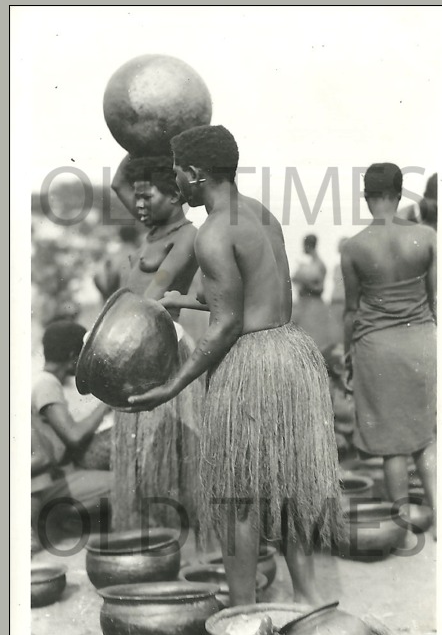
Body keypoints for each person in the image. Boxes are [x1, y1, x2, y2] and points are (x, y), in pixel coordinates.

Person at [126, 125, 345, 606]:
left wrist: (171, 387)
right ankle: (311, 601)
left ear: (197, 174)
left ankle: (242, 612)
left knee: (236, 497)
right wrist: (183, 300)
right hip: (291, 355)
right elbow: (254, 301)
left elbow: (226, 326)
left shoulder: (212, 232)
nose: (178, 183)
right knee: (290, 486)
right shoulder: (261, 215)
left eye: (180, 173)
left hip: (250, 366)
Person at [341, 163, 437, 539]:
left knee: (393, 447)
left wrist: (348, 355)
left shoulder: (354, 247)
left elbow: (351, 310)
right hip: (421, 341)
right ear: (400, 195)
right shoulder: (427, 237)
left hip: (376, 348)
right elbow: (437, 300)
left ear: (367, 197)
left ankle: (401, 531)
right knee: (425, 437)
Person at [109, 154, 204, 532]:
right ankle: (147, 538)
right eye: (138, 199)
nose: (140, 205)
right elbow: (119, 182)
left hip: (160, 350)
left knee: (171, 458)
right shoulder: (153, 228)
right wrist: (141, 144)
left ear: (175, 196)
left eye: (147, 197)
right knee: (137, 458)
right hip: (126, 348)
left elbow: (153, 294)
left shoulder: (187, 236)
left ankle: (189, 543)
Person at [31, 321, 113, 548]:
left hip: (56, 477)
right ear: (71, 356)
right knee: (123, 483)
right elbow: (74, 436)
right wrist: (106, 404)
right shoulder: (46, 384)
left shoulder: (44, 382)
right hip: (53, 480)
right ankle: (60, 519)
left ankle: (67, 521)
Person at [291, 233, 338, 350]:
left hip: (313, 307)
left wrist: (306, 282)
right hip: (303, 304)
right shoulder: (308, 264)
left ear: (308, 246)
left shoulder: (319, 264)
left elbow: (320, 288)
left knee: (313, 342)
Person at [93, 225, 141, 303]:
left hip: (114, 303)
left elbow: (97, 278)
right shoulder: (139, 256)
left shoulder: (111, 257)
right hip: (133, 302)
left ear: (120, 237)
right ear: (136, 238)